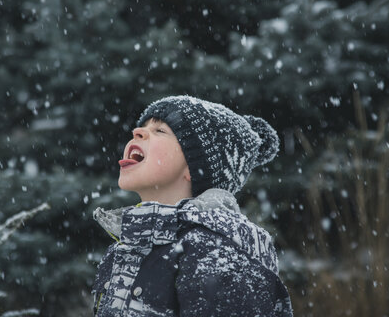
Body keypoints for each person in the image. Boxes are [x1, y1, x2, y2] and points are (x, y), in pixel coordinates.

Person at [92, 95, 293, 317]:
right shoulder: (122, 249)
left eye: (160, 131)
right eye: (142, 126)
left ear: (194, 168)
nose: (137, 132)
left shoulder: (214, 251)